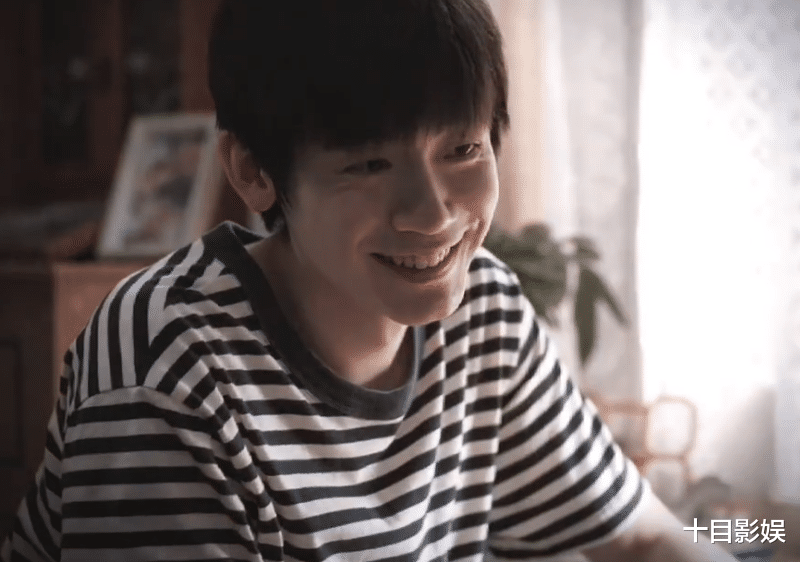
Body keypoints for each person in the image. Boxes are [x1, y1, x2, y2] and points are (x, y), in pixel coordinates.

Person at [2, 1, 737, 560]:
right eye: (368, 164)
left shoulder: (484, 309)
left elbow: (642, 536)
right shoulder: (166, 367)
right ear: (254, 170)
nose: (433, 214)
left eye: (463, 149)